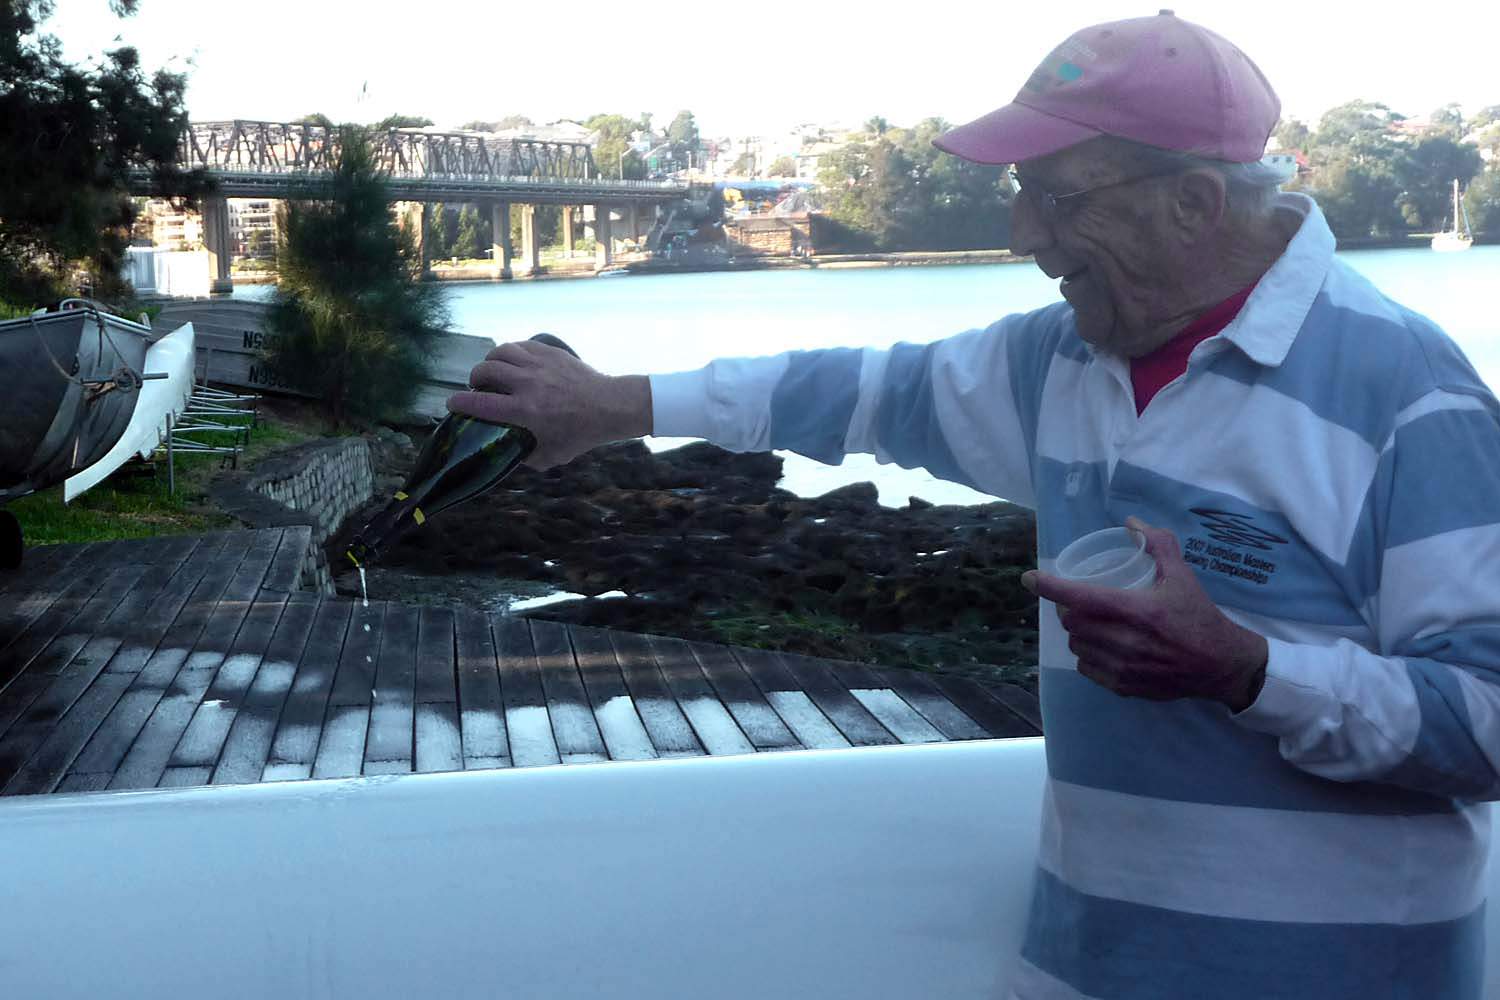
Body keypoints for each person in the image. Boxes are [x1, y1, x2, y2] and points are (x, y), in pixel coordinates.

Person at [448, 12, 1500, 998]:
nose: (1021, 234)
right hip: (1086, 961)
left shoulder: (1412, 397)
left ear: (1194, 205)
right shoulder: (1063, 358)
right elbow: (844, 389)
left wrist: (1244, 670)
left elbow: (1488, 721)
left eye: (1057, 195)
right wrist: (611, 406)